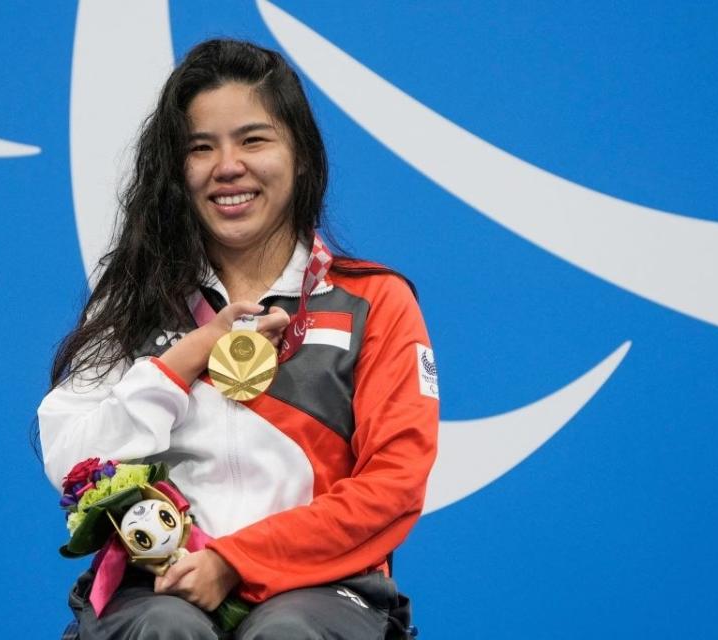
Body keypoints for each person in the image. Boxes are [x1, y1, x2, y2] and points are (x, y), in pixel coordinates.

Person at [38, 39, 439, 639]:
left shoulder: (374, 301)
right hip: (156, 588)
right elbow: (72, 460)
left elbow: (395, 484)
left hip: (325, 591)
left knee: (287, 634)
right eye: (201, 148)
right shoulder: (136, 305)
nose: (228, 166)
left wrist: (236, 562)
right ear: (178, 171)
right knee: (165, 631)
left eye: (253, 140)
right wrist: (184, 359)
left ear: (300, 154)